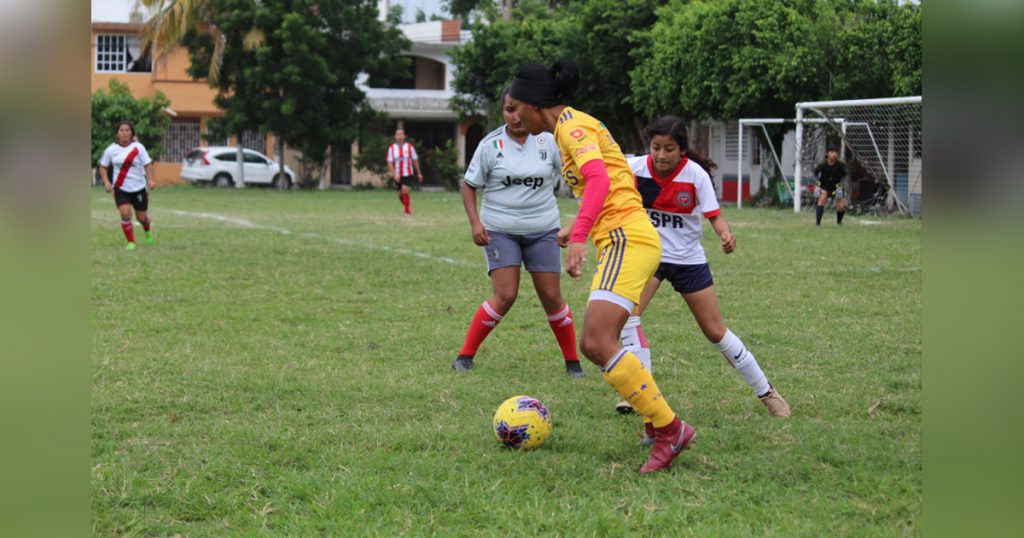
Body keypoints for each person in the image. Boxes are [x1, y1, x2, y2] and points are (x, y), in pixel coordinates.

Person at [509, 59, 695, 473]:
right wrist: (577, 226)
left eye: (517, 108)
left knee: (596, 341)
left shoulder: (571, 128)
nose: (515, 117)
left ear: (535, 104)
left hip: (626, 238)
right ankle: (657, 423)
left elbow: (599, 179)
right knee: (602, 339)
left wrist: (580, 236)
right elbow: (610, 180)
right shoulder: (570, 126)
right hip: (626, 237)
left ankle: (670, 429)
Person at [615, 116, 791, 425]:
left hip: (687, 260)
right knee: (628, 315)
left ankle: (768, 393)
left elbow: (715, 217)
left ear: (682, 149)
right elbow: (603, 193)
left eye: (669, 148)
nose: (661, 155)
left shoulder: (695, 175)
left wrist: (726, 234)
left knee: (715, 331)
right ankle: (641, 392)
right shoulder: (634, 169)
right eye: (656, 147)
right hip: (650, 256)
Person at [453, 87, 584, 378]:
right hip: (500, 231)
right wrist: (475, 223)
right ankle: (464, 356)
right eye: (509, 110)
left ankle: (573, 363)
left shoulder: (549, 141)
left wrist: (577, 222)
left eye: (520, 110)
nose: (515, 117)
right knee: (505, 295)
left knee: (552, 295)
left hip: (544, 230)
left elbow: (577, 178)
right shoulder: (490, 144)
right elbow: (469, 185)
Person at [98, 121, 154, 250]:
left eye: (127, 130)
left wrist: (150, 180)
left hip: (139, 187)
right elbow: (103, 166)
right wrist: (106, 182)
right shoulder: (111, 149)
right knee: (125, 214)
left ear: (132, 133)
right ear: (117, 133)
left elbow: (147, 164)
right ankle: (131, 242)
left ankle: (147, 230)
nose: (124, 133)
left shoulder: (138, 147)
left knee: (141, 218)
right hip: (121, 188)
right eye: (121, 130)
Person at [386, 128, 424, 216]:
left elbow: (415, 160)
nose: (399, 136)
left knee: (405, 189)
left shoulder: (410, 147)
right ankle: (408, 207)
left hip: (408, 173)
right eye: (397, 134)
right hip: (397, 174)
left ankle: (406, 211)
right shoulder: (392, 148)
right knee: (399, 194)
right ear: (395, 136)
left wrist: (419, 173)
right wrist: (394, 174)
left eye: (401, 134)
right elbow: (389, 162)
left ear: (404, 136)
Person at [813, 146, 847, 226]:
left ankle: (839, 222)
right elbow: (815, 174)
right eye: (831, 152)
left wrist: (840, 186)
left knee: (841, 206)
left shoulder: (840, 164)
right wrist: (818, 185)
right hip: (824, 186)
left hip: (836, 186)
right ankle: (818, 223)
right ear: (827, 154)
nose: (834, 154)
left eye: (835, 152)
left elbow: (844, 175)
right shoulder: (822, 164)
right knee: (822, 199)